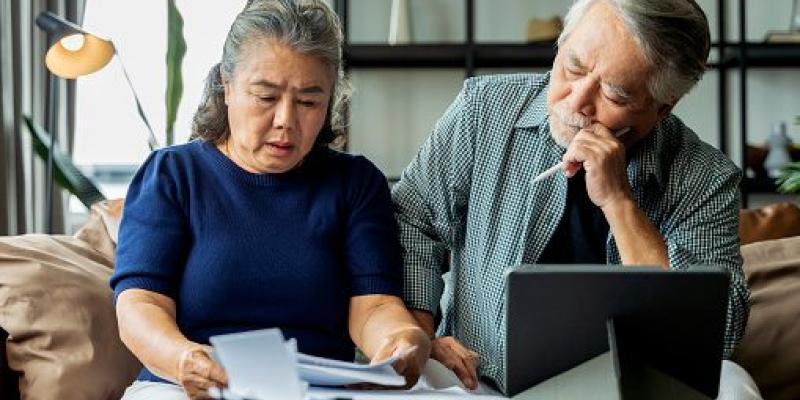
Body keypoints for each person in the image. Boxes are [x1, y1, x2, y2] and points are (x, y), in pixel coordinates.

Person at [393, 0, 760, 398]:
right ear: (560, 44)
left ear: (661, 109)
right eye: (574, 67)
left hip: (636, 386)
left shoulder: (705, 177)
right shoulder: (483, 110)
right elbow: (413, 220)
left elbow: (716, 333)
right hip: (479, 378)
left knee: (733, 387)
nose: (577, 101)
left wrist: (620, 203)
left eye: (615, 96)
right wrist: (421, 333)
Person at [111, 1, 430, 399]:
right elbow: (140, 304)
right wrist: (183, 359)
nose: (286, 120)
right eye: (265, 97)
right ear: (226, 87)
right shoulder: (172, 175)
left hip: (316, 392)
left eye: (309, 102)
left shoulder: (355, 183)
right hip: (184, 387)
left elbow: (375, 306)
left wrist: (401, 340)